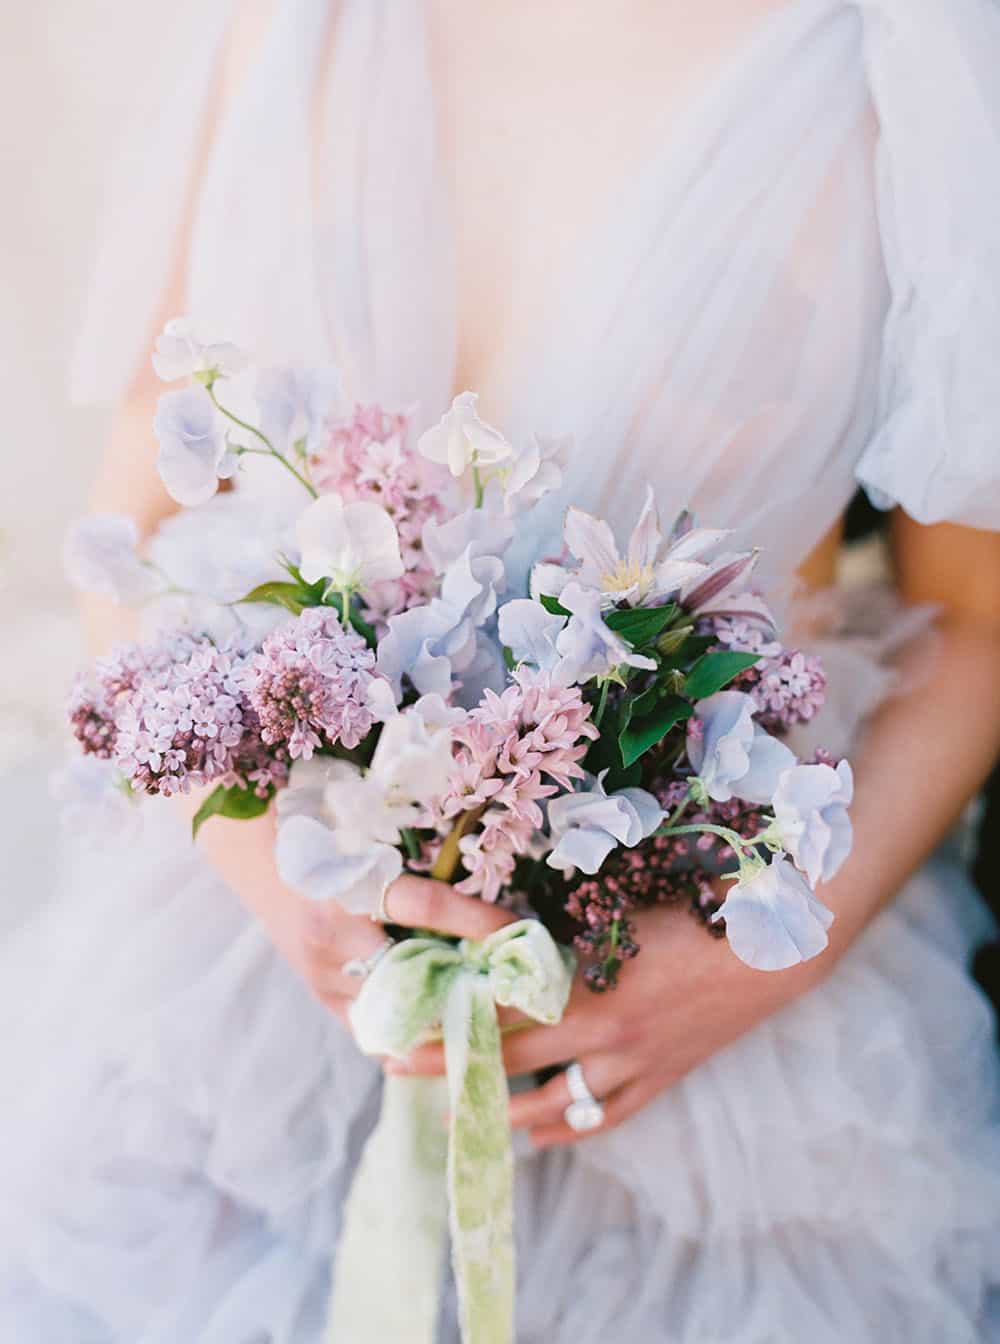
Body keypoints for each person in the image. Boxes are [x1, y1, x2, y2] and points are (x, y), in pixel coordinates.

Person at [3, 1, 1000, 1339]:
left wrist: (751, 969)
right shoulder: (299, 20)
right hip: (234, 1006)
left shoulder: (923, 58)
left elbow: (978, 623)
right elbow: (131, 539)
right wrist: (269, 878)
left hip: (700, 1021)